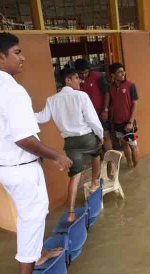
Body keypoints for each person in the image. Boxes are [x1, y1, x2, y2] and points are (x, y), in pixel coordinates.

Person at [0, 32, 72, 274]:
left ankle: (40, 254)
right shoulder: (12, 91)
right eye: (17, 52)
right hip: (21, 169)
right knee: (31, 220)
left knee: (31, 214)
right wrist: (56, 156)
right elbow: (23, 138)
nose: (22, 57)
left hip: (3, 168)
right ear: (0, 57)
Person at [35, 68, 104, 223]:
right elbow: (92, 119)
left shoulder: (52, 100)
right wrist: (100, 134)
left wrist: (24, 115)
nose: (79, 81)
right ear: (67, 80)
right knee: (96, 154)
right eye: (76, 78)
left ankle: (71, 213)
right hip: (86, 137)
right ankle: (94, 184)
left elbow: (42, 117)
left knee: (75, 175)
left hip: (70, 143)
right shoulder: (81, 96)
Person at [74, 59, 113, 154]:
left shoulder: (98, 77)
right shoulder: (75, 81)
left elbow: (107, 93)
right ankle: (103, 162)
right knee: (95, 140)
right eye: (80, 73)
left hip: (100, 113)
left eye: (85, 72)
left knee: (105, 135)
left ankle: (112, 161)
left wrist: (105, 110)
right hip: (86, 117)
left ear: (89, 70)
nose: (83, 75)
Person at [109, 62, 139, 168]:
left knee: (133, 145)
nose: (122, 74)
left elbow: (135, 103)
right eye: (119, 72)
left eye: (123, 71)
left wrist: (130, 122)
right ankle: (129, 164)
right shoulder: (111, 88)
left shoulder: (131, 85)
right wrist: (112, 121)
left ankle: (136, 167)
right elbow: (112, 105)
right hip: (118, 123)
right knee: (124, 144)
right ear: (113, 75)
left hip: (128, 122)